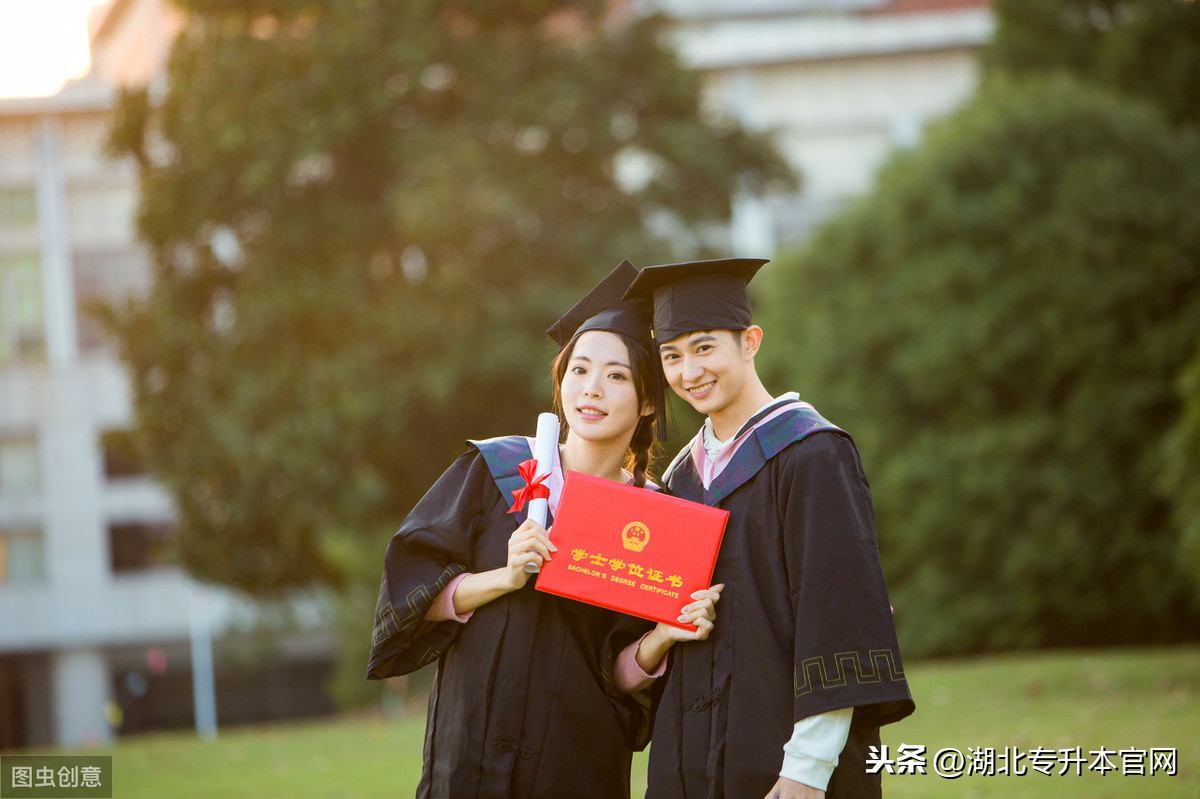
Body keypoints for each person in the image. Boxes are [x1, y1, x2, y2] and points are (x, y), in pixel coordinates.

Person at [366, 260, 721, 799]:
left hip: (577, 768)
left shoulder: (653, 520)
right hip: (470, 766)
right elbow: (410, 597)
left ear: (648, 401)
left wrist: (663, 636)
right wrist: (503, 578)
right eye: (579, 370)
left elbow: (623, 680)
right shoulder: (497, 472)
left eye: (617, 375)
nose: (592, 389)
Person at [624, 258, 915, 799]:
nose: (689, 372)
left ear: (750, 341)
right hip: (689, 766)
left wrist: (807, 767)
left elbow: (838, 616)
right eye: (672, 355)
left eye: (704, 347)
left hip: (789, 767)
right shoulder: (679, 479)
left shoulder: (813, 452)